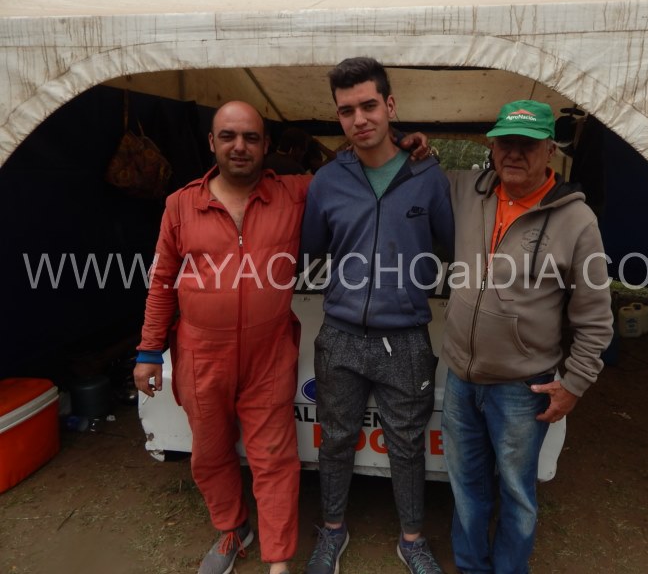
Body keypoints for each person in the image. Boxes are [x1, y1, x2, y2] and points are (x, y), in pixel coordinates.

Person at [132, 100, 431, 574]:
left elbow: (353, 167)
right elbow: (163, 280)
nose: (239, 146)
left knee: (274, 458)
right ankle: (233, 529)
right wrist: (149, 350)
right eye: (228, 136)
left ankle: (278, 559)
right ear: (211, 143)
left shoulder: (294, 193)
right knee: (210, 452)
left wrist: (398, 140)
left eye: (251, 138)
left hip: (268, 352)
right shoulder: (181, 205)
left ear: (266, 146)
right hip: (200, 353)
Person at [440, 100, 613, 574]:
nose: (514, 153)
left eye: (527, 144)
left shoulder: (577, 221)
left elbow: (596, 317)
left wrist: (574, 384)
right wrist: (410, 147)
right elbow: (415, 177)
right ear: (492, 146)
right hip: (460, 377)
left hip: (522, 386)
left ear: (550, 151)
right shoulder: (467, 190)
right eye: (505, 143)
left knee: (516, 493)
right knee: (466, 486)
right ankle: (471, 567)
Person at [301, 57, 454, 574]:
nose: (360, 118)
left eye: (369, 105)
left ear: (390, 106)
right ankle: (332, 530)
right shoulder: (328, 181)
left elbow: (451, 245)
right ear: (338, 117)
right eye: (347, 110)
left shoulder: (428, 177)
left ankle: (412, 539)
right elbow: (312, 248)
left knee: (407, 445)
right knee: (336, 439)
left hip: (406, 337)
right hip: (340, 335)